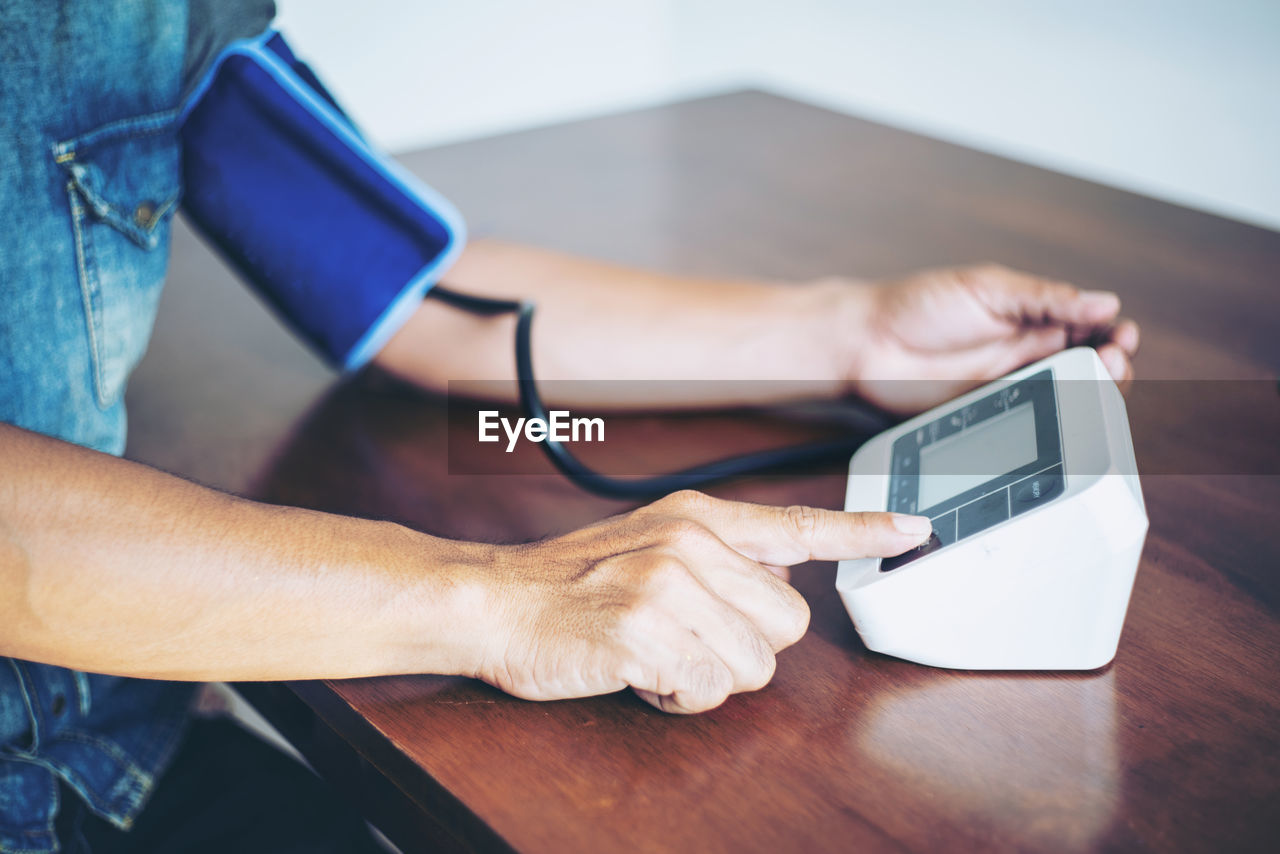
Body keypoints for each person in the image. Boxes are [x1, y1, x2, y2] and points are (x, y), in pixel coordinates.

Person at [0, 1, 1140, 851]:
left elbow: (413, 289)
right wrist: (496, 597)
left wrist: (849, 334)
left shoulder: (159, 19)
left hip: (106, 753)